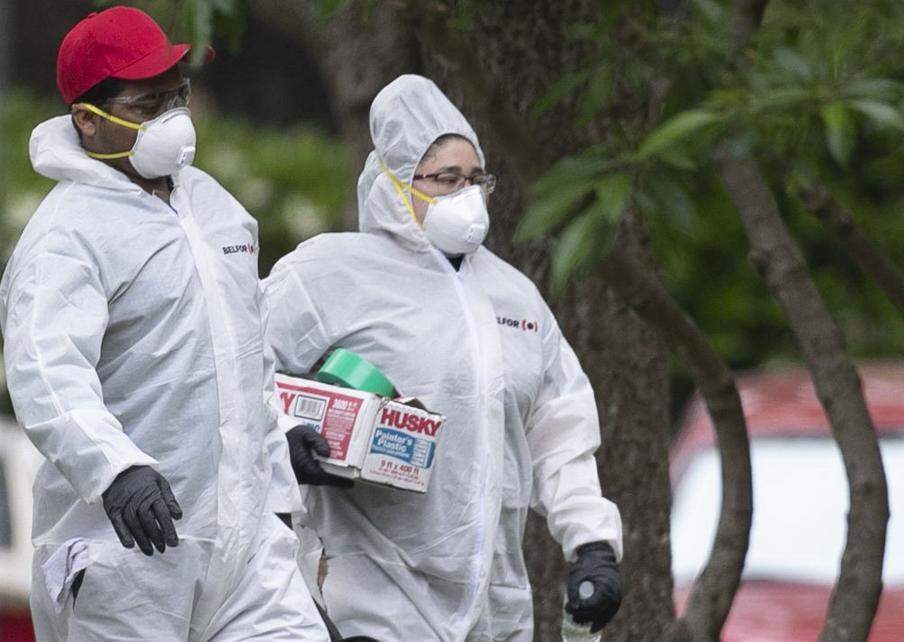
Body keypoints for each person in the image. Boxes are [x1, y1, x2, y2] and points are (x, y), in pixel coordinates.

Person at [0, 7, 329, 641]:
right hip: (127, 552)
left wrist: (279, 428)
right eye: (149, 103)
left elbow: (242, 347)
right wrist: (114, 466)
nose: (174, 118)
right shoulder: (67, 235)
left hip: (245, 546)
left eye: (176, 95)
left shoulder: (214, 206)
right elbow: (46, 371)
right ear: (88, 122)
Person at [263, 74, 624, 641]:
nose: (467, 196)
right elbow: (236, 370)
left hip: (495, 603)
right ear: (394, 183)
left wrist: (592, 542)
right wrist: (283, 435)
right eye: (447, 179)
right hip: (370, 597)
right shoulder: (329, 274)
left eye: (477, 179)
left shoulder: (513, 297)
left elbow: (560, 427)